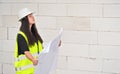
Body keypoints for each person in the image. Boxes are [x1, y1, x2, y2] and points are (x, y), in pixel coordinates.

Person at [14, 8, 61, 74]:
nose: (33, 17)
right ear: (24, 20)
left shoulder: (35, 35)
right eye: (30, 16)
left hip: (36, 71)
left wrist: (55, 44)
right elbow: (26, 52)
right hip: (25, 72)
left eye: (32, 15)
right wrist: (33, 59)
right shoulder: (21, 35)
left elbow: (43, 50)